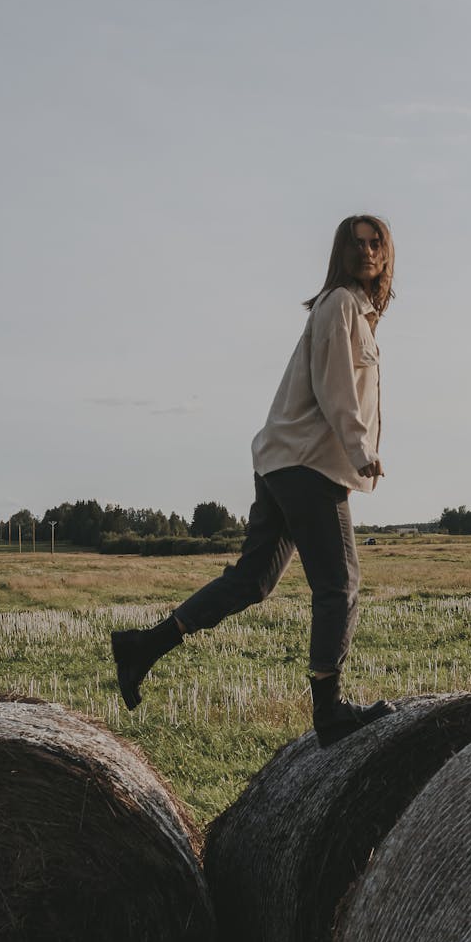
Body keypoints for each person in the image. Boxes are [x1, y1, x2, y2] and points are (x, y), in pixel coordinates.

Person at [111, 214, 397, 747]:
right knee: (340, 585)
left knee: (252, 581)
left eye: (374, 242)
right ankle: (330, 710)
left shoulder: (357, 312)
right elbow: (336, 388)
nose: (366, 250)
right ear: (340, 253)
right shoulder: (339, 305)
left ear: (386, 252)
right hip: (308, 464)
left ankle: (142, 648)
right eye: (355, 243)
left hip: (281, 461)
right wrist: (362, 450)